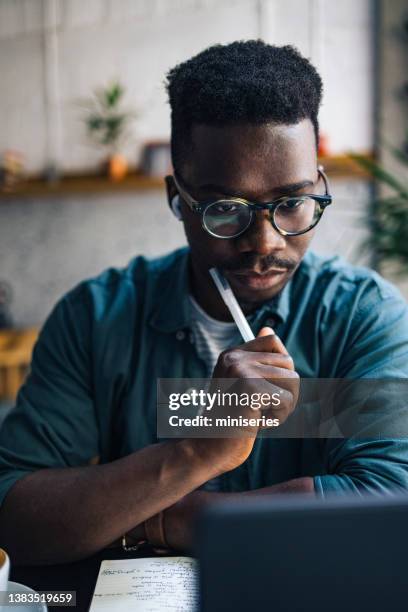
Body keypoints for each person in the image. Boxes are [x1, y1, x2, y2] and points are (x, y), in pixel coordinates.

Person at [0, 41, 408, 565]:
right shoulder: (95, 319)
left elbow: (387, 508)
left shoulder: (362, 315)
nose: (264, 242)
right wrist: (196, 450)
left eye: (292, 203)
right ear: (178, 198)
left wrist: (161, 517)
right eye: (225, 209)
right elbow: (13, 512)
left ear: (319, 186)